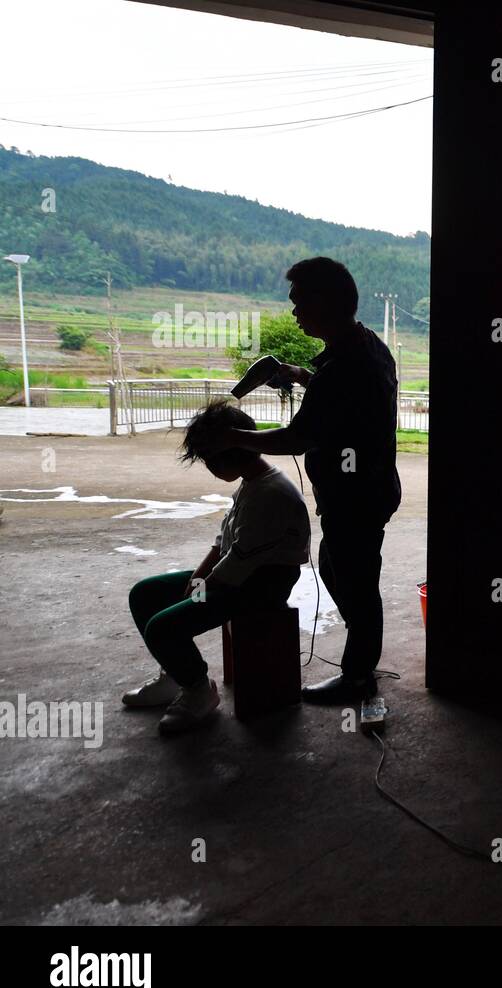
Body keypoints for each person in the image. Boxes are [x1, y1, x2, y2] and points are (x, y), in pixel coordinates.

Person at [207, 257, 401, 703]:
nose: (294, 313)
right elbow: (345, 400)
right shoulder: (366, 345)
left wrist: (233, 436)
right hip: (367, 490)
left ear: (326, 301)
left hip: (355, 496)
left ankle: (357, 677)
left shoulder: (343, 365)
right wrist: (301, 375)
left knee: (354, 582)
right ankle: (361, 662)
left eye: (299, 303)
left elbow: (297, 437)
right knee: (339, 569)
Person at [123, 401, 309, 734]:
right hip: (237, 574)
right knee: (144, 594)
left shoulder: (270, 494)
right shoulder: (253, 481)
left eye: (209, 459)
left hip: (260, 585)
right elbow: (223, 539)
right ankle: (176, 673)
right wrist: (198, 575)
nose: (209, 467)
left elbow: (238, 563)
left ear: (231, 451)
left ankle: (198, 691)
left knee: (162, 628)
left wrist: (203, 587)